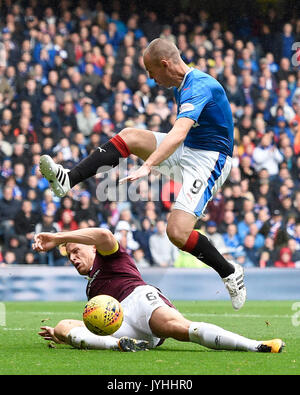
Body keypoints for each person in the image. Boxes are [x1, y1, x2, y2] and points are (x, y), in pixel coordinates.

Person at [39, 38, 246, 310]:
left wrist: (148, 165)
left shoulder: (199, 87)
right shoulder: (183, 83)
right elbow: (182, 137)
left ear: (164, 64)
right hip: (189, 150)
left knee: (176, 233)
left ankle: (230, 272)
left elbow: (179, 132)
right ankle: (67, 179)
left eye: (151, 71)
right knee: (131, 136)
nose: (150, 78)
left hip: (210, 161)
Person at [33, 227, 283, 353]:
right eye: (70, 256)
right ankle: (120, 346)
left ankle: (255, 345)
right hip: (121, 326)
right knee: (63, 325)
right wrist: (65, 335)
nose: (73, 258)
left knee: (178, 328)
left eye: (77, 251)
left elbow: (103, 234)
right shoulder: (91, 285)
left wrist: (57, 238)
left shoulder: (110, 256)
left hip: (140, 301)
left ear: (93, 249)